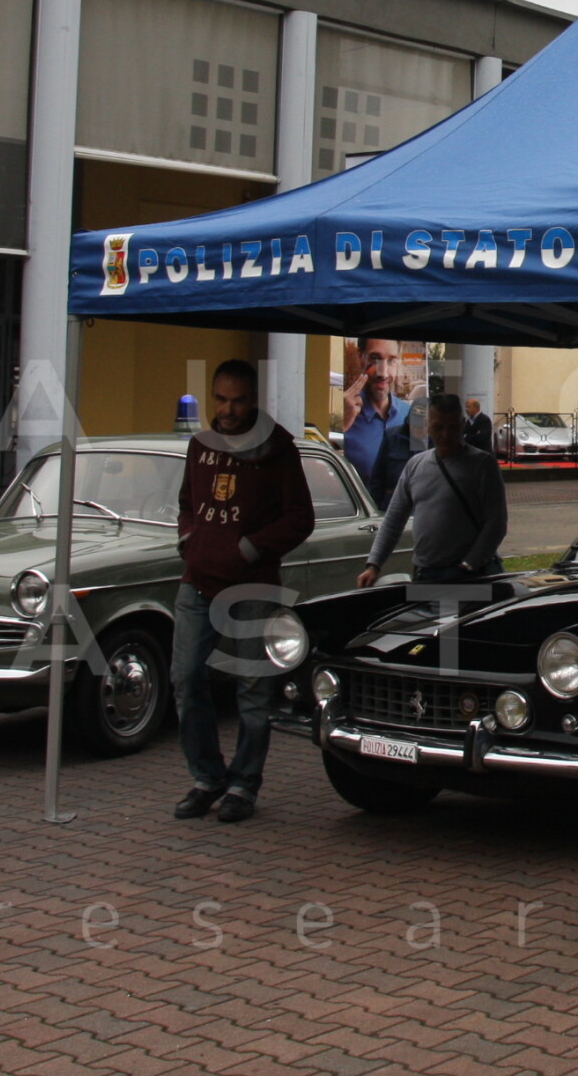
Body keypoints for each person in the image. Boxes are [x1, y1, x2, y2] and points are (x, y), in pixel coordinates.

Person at [172, 358, 315, 824]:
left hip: (254, 586)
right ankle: (206, 778)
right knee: (185, 679)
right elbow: (186, 503)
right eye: (220, 399)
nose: (227, 410)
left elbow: (300, 518)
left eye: (236, 401)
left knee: (253, 690)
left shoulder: (279, 450)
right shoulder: (200, 445)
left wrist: (251, 547)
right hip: (198, 582)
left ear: (252, 400)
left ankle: (242, 785)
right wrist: (189, 538)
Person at [360, 394, 508, 585]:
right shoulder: (415, 465)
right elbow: (393, 519)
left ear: (462, 425)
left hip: (471, 577)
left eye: (452, 427)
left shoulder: (483, 465)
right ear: (428, 426)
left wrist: (470, 563)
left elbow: (496, 522)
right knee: (423, 606)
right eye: (438, 427)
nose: (445, 435)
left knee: (469, 606)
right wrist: (373, 565)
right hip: (426, 574)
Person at [340, 338, 410, 506]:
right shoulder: (344, 414)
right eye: (375, 358)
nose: (383, 373)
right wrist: (342, 424)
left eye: (391, 360)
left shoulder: (411, 416)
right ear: (360, 357)